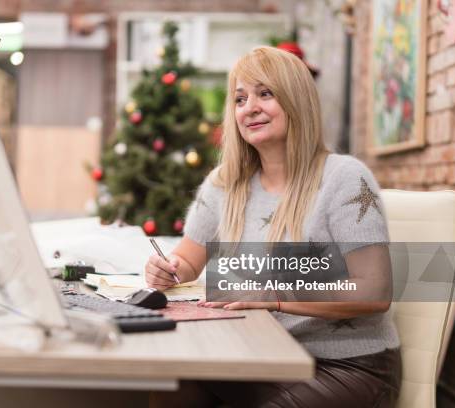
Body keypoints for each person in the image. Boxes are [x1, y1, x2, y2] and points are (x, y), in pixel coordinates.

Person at [145, 46, 401, 408]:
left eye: (265, 94)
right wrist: (167, 269)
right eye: (240, 98)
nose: (249, 108)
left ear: (296, 100)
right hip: (258, 355)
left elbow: (375, 290)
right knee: (172, 387)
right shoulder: (224, 183)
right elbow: (187, 259)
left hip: (346, 366)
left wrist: (276, 295)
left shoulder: (343, 178)